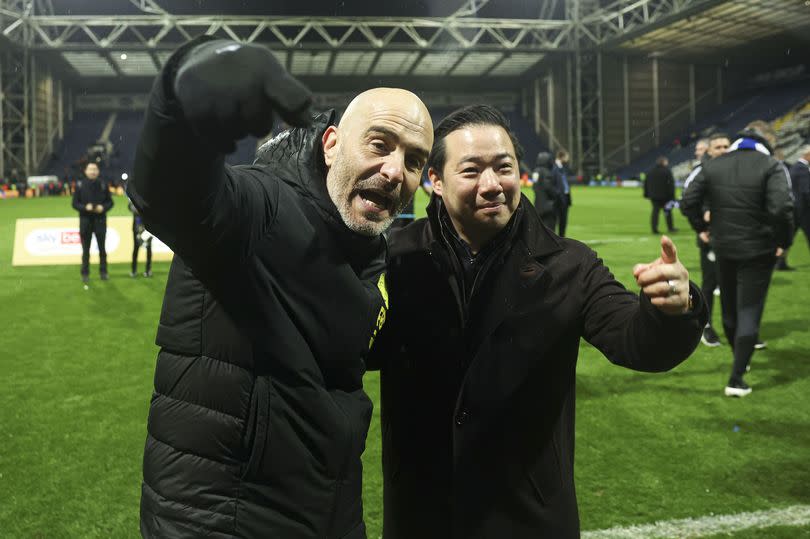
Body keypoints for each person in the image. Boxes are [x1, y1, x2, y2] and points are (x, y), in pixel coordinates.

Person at [127, 37, 433, 538]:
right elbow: (171, 197)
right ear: (331, 144)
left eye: (415, 159)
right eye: (379, 144)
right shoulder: (261, 207)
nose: (396, 170)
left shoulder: (371, 251)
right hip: (223, 523)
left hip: (328, 514)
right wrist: (182, 101)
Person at [367, 105, 707, 539]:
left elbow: (634, 340)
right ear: (436, 181)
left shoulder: (570, 264)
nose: (492, 185)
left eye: (503, 168)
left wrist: (670, 310)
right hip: (422, 510)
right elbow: (354, 347)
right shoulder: (394, 258)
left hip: (529, 515)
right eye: (471, 171)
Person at [682, 121, 794, 397]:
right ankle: (737, 377)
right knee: (749, 311)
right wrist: (783, 240)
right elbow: (782, 207)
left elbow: (687, 201)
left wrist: (702, 229)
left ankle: (739, 361)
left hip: (724, 247)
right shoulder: (771, 165)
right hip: (759, 250)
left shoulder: (713, 165)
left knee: (730, 310)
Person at [683, 133, 730, 346]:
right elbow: (688, 201)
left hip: (733, 236)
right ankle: (706, 325)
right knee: (710, 283)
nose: (723, 150)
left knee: (731, 284)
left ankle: (738, 328)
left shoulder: (734, 168)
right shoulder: (701, 171)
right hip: (711, 236)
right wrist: (700, 227)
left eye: (726, 146)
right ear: (709, 151)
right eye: (718, 147)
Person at [71, 162, 113, 282]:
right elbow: (74, 204)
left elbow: (110, 202)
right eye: (90, 169)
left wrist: (103, 208)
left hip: (100, 220)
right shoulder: (80, 185)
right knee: (85, 249)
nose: (93, 171)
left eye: (95, 169)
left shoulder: (103, 184)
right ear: (86, 171)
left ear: (98, 171)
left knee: (102, 249)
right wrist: (85, 207)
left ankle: (103, 272)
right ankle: (85, 273)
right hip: (85, 221)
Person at [776, 145, 810, 270]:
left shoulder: (796, 167)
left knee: (788, 237)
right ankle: (780, 262)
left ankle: (780, 262)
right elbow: (806, 191)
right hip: (803, 210)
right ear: (807, 155)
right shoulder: (802, 169)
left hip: (794, 208)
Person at [644, 156, 677, 234]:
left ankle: (654, 229)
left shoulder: (651, 171)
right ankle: (670, 228)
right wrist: (672, 196)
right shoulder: (667, 171)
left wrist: (646, 194)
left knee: (655, 212)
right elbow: (671, 185)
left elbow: (646, 183)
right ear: (663, 162)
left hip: (654, 196)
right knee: (668, 212)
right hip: (666, 196)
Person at [532, 151, 559, 230]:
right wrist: (556, 194)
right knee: (550, 229)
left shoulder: (535, 171)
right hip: (548, 206)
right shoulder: (546, 172)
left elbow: (534, 187)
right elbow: (548, 187)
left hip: (538, 205)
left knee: (540, 229)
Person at [128, 198, 153, 278]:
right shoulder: (134, 196)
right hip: (137, 226)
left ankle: (148, 270)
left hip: (147, 226)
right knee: (136, 248)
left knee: (148, 248)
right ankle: (134, 270)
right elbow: (130, 207)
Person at [552, 150, 572, 236]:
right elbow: (554, 183)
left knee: (563, 221)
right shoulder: (554, 168)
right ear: (562, 157)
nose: (568, 159)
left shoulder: (562, 168)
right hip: (558, 199)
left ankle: (562, 240)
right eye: (567, 156)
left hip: (565, 198)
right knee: (556, 221)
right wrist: (557, 194)